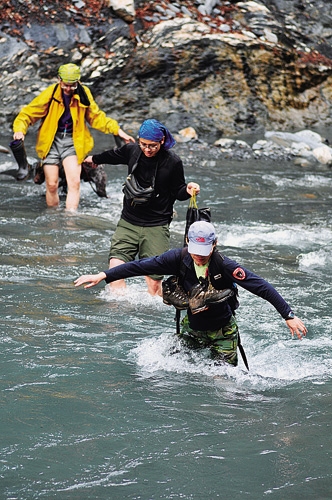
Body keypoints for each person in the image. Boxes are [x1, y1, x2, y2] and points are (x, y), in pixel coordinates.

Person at [74, 220, 308, 367]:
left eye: (205, 251)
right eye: (195, 251)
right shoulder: (177, 258)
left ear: (215, 244)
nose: (199, 256)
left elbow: (261, 286)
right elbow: (140, 266)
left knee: (223, 383)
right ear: (187, 241)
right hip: (192, 327)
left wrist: (288, 314)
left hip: (222, 332)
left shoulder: (225, 266)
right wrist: (104, 275)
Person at [84, 118, 200, 296]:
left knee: (154, 286)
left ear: (161, 141)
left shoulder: (173, 162)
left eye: (152, 145)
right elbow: (112, 155)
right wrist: (94, 159)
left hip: (156, 225)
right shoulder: (132, 150)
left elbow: (178, 191)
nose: (147, 149)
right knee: (115, 274)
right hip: (128, 222)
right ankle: (117, 315)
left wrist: (188, 189)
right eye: (143, 144)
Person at [12, 63, 135, 210]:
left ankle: (70, 221)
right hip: (51, 142)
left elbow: (97, 117)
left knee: (74, 182)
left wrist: (117, 130)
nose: (69, 89)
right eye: (65, 85)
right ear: (59, 80)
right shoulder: (51, 93)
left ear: (78, 82)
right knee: (51, 185)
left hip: (73, 141)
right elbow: (27, 114)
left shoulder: (83, 94)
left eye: (72, 85)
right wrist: (20, 130)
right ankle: (53, 217)